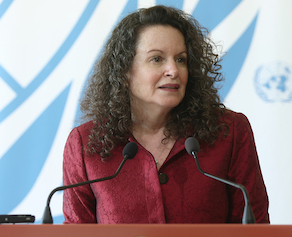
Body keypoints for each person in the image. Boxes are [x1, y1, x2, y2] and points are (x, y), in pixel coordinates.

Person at [62, 5, 269, 224]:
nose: (173, 70)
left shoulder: (229, 132)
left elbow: (255, 232)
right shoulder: (86, 143)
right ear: (124, 72)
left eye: (181, 59)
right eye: (157, 59)